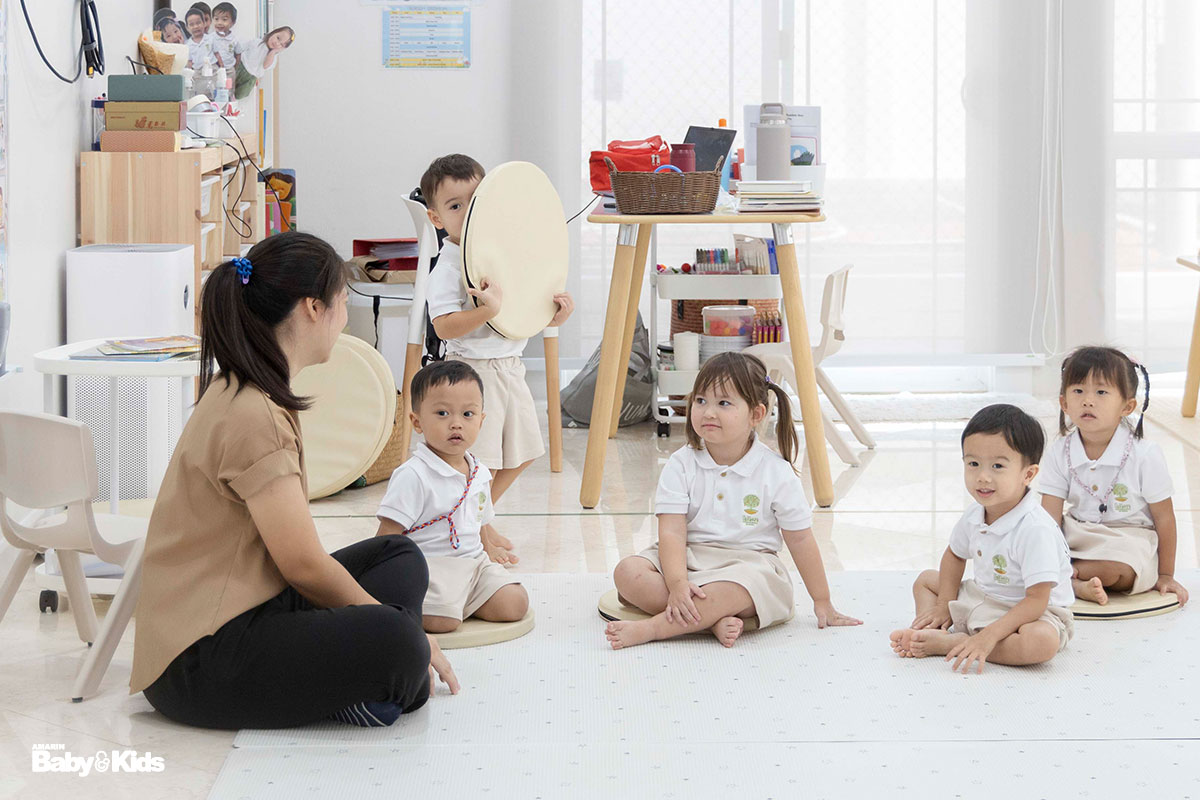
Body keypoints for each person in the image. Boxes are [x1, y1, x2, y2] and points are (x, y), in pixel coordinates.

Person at [130, 232, 458, 730]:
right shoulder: (254, 413)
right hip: (201, 660)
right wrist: (403, 632)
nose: (344, 318)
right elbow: (303, 565)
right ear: (312, 308)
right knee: (402, 643)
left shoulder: (248, 386)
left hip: (249, 606)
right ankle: (371, 681)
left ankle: (367, 677)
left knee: (398, 555)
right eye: (342, 302)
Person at [606, 352, 861, 650]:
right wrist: (677, 584)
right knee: (628, 572)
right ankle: (711, 619)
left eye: (724, 403)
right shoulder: (680, 464)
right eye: (701, 400)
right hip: (687, 558)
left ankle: (653, 629)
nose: (708, 412)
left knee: (738, 590)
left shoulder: (776, 472)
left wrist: (822, 600)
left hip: (749, 565)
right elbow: (672, 532)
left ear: (756, 415)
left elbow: (801, 539)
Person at [421, 153, 575, 561]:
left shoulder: (503, 255)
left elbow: (519, 311)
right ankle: (475, 529)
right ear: (437, 218)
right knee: (480, 463)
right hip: (474, 372)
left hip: (509, 367)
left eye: (476, 203)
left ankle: (474, 519)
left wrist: (553, 315)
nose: (469, 214)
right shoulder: (449, 267)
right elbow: (444, 326)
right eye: (456, 206)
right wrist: (485, 311)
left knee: (524, 452)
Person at [890, 404, 1075, 673]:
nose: (983, 477)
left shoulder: (1035, 529)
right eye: (973, 464)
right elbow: (954, 555)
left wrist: (989, 636)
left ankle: (958, 642)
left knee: (1042, 642)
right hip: (984, 597)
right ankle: (934, 629)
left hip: (1032, 612)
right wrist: (943, 605)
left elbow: (1037, 600)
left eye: (998, 466)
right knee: (926, 580)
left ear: (1028, 474)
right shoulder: (975, 513)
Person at [376, 361, 530, 633]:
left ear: (481, 420)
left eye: (468, 414)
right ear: (417, 422)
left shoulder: (479, 472)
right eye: (442, 413)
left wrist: (488, 550)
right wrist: (385, 579)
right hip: (429, 567)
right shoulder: (413, 475)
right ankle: (437, 605)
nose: (456, 423)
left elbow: (479, 521)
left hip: (474, 564)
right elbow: (387, 535)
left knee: (515, 603)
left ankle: (460, 601)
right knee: (444, 622)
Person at [1039, 346, 1189, 606]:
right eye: (1078, 391)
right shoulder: (1059, 452)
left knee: (1118, 570)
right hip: (1077, 533)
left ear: (1127, 406)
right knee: (1032, 545)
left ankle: (1066, 579)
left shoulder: (1145, 454)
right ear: (1064, 403)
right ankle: (1073, 580)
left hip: (1129, 537)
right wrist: (1046, 552)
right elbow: (1049, 517)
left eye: (1101, 392)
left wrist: (1166, 575)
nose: (1088, 400)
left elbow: (1164, 517)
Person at [234, 26, 294, 100]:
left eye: (281, 45)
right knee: (227, 79)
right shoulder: (257, 42)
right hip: (241, 65)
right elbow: (241, 47)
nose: (277, 43)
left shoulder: (272, 57)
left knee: (240, 94)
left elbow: (265, 65)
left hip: (251, 77)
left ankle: (231, 98)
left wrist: (274, 51)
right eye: (278, 38)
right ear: (273, 33)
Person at [209, 2, 239, 73]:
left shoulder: (234, 39)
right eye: (216, 19)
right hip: (214, 70)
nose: (219, 23)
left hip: (229, 69)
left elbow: (238, 54)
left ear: (233, 22)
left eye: (224, 19)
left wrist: (235, 67)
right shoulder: (210, 38)